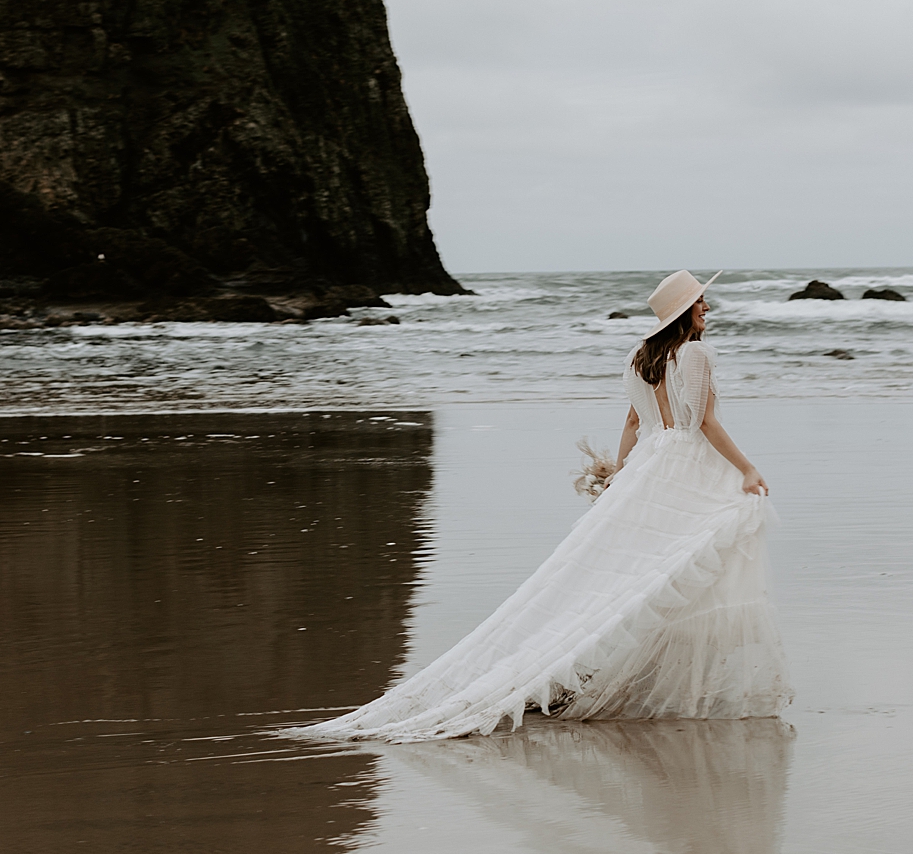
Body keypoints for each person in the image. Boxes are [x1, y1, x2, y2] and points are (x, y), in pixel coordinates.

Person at [294, 270, 792, 742]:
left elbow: (634, 424)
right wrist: (747, 468)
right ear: (684, 312)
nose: (707, 306)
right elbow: (701, 423)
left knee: (632, 575)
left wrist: (622, 474)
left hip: (651, 467)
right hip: (684, 465)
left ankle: (606, 670)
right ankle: (645, 674)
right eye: (700, 300)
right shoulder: (697, 355)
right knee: (692, 554)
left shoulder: (640, 356)